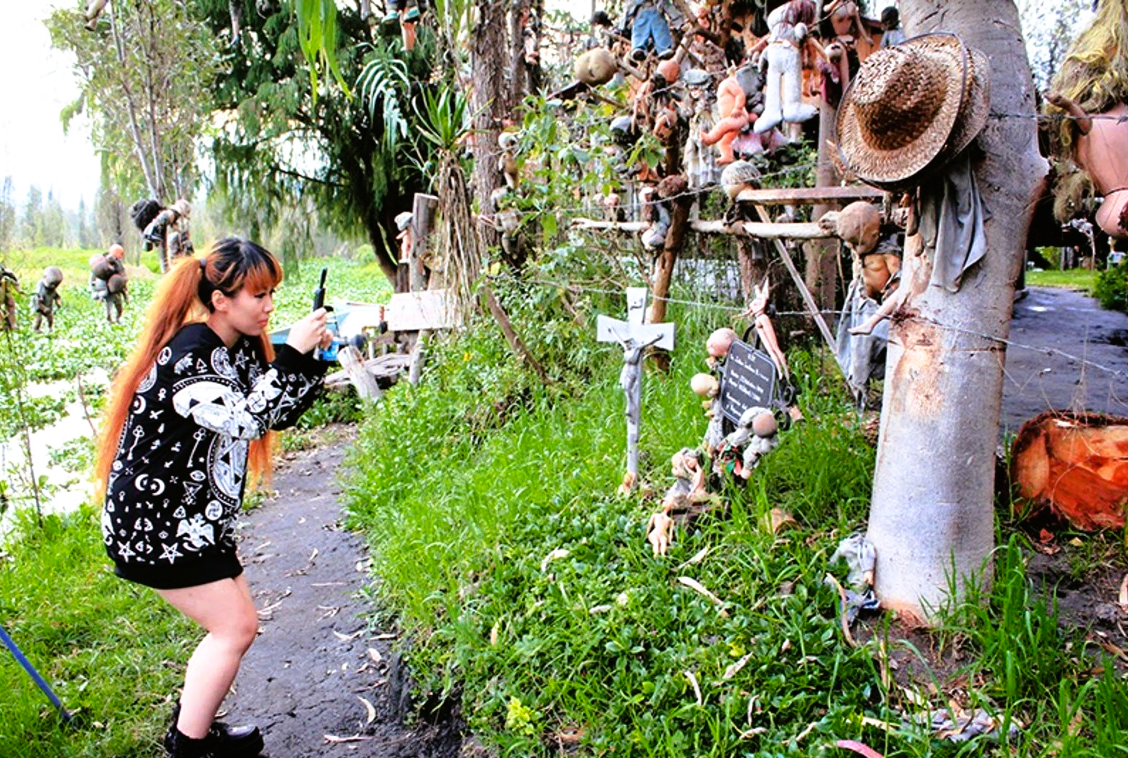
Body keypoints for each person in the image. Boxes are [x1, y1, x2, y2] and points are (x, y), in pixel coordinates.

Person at [93, 237, 333, 758]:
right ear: (221, 299)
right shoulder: (190, 355)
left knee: (238, 623)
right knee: (235, 627)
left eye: (272, 293)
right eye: (259, 295)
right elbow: (244, 417)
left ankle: (195, 725)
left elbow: (270, 411)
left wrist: (309, 362)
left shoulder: (234, 348)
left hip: (193, 523)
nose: (270, 306)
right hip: (156, 526)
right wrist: (293, 352)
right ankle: (188, 748)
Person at [31, 266, 64, 333]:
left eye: (55, 285)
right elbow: (38, 301)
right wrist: (43, 308)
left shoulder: (52, 290)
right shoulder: (40, 289)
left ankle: (50, 327)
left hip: (48, 306)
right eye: (51, 284)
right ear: (44, 278)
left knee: (50, 318)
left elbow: (57, 297)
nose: (53, 287)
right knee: (38, 318)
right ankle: (36, 329)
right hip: (40, 307)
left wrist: (58, 302)